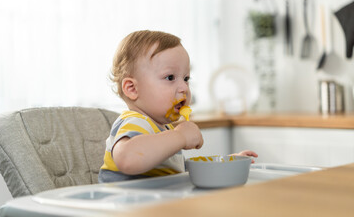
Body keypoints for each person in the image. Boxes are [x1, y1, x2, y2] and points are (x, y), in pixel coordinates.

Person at [99, 30, 257, 183]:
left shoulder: (164, 131)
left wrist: (225, 163)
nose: (184, 88)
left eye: (186, 78)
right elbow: (128, 159)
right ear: (132, 89)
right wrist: (180, 136)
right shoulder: (135, 122)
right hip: (124, 207)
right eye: (170, 77)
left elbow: (178, 174)